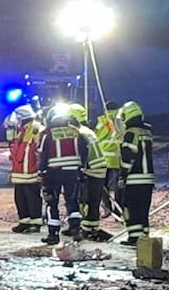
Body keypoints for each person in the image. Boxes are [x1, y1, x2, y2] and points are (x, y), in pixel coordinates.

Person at [38, 105, 86, 244]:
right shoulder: (75, 132)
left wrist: (42, 172)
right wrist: (82, 168)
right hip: (73, 172)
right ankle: (76, 229)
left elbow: (43, 155)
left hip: (53, 172)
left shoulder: (48, 134)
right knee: (72, 201)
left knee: (52, 202)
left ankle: (53, 234)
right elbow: (84, 151)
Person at [68, 104, 109, 241]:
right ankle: (91, 227)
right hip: (99, 168)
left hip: (91, 169)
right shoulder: (87, 130)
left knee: (85, 199)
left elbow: (82, 153)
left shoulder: (80, 132)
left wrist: (80, 171)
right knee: (94, 200)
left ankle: (85, 229)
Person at [119, 101, 155, 246]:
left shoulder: (131, 133)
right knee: (143, 209)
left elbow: (128, 156)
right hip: (148, 179)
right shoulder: (147, 132)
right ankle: (144, 238)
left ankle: (134, 237)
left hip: (134, 178)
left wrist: (123, 175)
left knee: (130, 207)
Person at [8, 105, 44, 233]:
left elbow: (40, 150)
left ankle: (35, 222)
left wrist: (41, 168)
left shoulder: (36, 129)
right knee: (20, 197)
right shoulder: (22, 130)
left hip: (32, 171)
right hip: (20, 172)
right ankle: (24, 221)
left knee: (32, 197)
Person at [95, 100, 126, 217]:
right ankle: (119, 210)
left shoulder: (102, 122)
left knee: (102, 186)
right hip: (117, 158)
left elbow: (96, 136)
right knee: (119, 186)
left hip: (103, 158)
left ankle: (107, 208)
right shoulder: (120, 120)